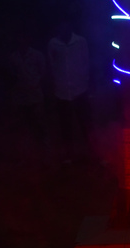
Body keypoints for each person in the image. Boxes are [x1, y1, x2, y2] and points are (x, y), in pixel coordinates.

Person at [47, 16, 90, 163]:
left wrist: (86, 81)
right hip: (62, 90)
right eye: (61, 26)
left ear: (70, 25)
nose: (63, 28)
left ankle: (91, 153)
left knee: (85, 123)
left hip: (80, 89)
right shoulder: (53, 44)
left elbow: (86, 62)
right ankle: (69, 156)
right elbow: (52, 65)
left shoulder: (80, 42)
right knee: (65, 126)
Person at [9, 30, 47, 145]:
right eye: (19, 38)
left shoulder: (37, 55)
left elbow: (43, 73)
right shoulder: (13, 57)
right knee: (25, 124)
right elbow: (12, 75)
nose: (21, 41)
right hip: (21, 97)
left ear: (28, 39)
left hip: (35, 95)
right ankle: (29, 149)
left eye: (23, 38)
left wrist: (36, 82)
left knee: (39, 123)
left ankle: (42, 148)